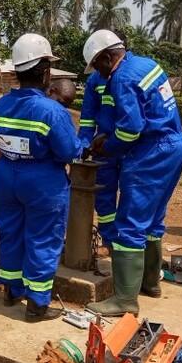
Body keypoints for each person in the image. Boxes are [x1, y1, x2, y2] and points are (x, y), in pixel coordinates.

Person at [82, 30, 182, 317]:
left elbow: (130, 129)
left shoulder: (121, 78)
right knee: (153, 219)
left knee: (129, 223)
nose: (98, 72)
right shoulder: (146, 65)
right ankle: (150, 282)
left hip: (149, 153)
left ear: (107, 57)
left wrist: (107, 147)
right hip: (174, 145)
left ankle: (125, 299)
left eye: (98, 64)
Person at [0, 33, 85, 321]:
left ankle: (11, 290)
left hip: (6, 176)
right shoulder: (51, 111)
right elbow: (69, 151)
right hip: (43, 182)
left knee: (10, 233)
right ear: (45, 72)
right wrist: (83, 144)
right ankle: (37, 304)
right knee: (43, 238)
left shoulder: (2, 105)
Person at [78, 68, 119, 253]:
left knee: (132, 195)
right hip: (102, 148)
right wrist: (84, 145)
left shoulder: (131, 75)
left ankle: (126, 243)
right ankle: (109, 241)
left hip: (130, 146)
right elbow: (87, 118)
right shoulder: (95, 80)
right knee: (103, 197)